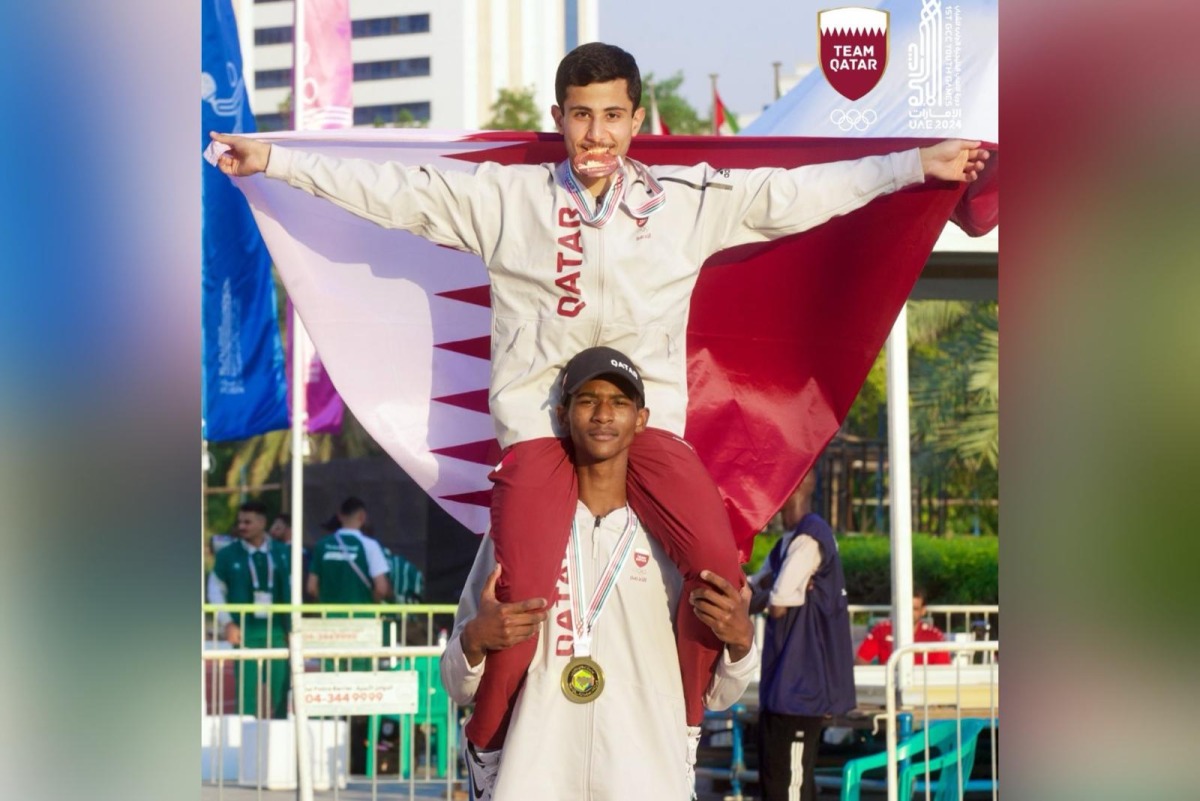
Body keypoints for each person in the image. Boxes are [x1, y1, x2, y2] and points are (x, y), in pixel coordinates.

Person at [210, 41, 988, 752]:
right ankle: (487, 751)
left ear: (637, 118)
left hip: (648, 438)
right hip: (541, 442)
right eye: (581, 117)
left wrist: (914, 164)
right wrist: (272, 157)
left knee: (720, 572)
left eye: (613, 116)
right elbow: (391, 190)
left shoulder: (687, 202)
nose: (597, 135)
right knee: (517, 592)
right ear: (559, 119)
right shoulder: (506, 200)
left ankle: (684, 723)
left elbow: (799, 193)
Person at [441, 346, 758, 800]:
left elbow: (720, 697)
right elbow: (457, 683)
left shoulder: (673, 542)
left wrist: (742, 643)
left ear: (641, 419)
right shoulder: (514, 533)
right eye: (588, 400)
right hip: (536, 775)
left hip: (645, 774)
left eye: (620, 403)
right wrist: (474, 640)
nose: (604, 415)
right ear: (564, 414)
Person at [749, 470, 855, 801]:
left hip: (802, 686)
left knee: (791, 783)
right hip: (781, 684)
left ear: (795, 490)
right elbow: (752, 594)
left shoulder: (811, 538)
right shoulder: (786, 544)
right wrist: (773, 591)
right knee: (773, 776)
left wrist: (772, 593)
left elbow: (776, 603)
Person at [207, 500, 291, 719]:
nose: (242, 526)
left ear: (263, 522)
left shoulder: (282, 552)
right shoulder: (228, 554)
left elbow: (293, 589)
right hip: (245, 633)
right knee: (245, 696)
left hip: (277, 633)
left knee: (281, 693)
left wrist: (292, 628)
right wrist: (227, 622)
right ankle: (241, 748)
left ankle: (280, 746)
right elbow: (215, 590)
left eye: (248, 521)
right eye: (240, 521)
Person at [307, 497, 393, 608]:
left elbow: (311, 587)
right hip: (362, 617)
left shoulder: (322, 545)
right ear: (362, 517)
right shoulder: (370, 545)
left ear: (339, 516)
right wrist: (371, 604)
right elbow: (381, 588)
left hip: (329, 618)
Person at [855, 586, 952, 666]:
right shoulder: (882, 630)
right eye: (906, 607)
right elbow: (861, 660)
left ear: (923, 611)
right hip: (889, 685)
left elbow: (943, 670)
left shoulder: (934, 636)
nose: (909, 612)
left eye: (914, 609)